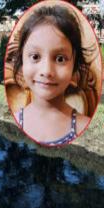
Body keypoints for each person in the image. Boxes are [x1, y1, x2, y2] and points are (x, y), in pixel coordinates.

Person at [13, 5, 91, 146]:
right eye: (35, 56)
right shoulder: (15, 122)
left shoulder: (83, 126)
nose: (47, 71)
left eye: (60, 59)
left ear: (75, 66)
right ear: (21, 62)